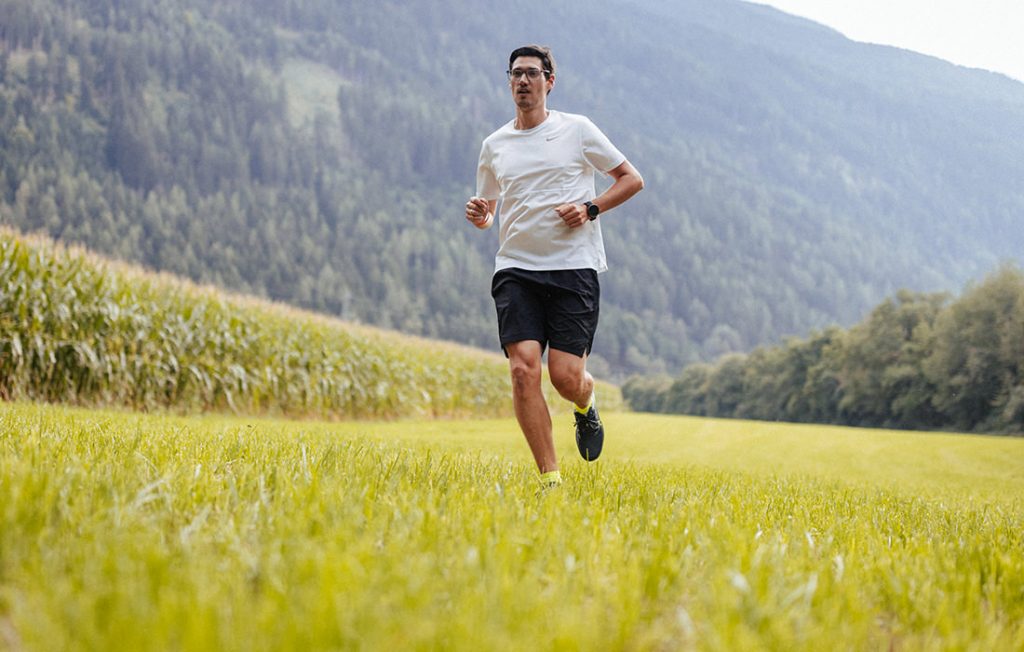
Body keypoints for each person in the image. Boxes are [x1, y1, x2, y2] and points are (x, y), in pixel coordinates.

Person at [465, 45, 644, 489]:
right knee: (523, 369)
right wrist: (481, 216)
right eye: (515, 74)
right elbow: (489, 211)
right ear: (509, 82)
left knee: (565, 378)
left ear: (549, 81)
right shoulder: (494, 146)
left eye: (531, 73)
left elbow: (631, 179)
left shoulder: (577, 130)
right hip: (516, 269)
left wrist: (591, 208)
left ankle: (586, 405)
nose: (523, 81)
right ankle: (550, 481)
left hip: (573, 269)